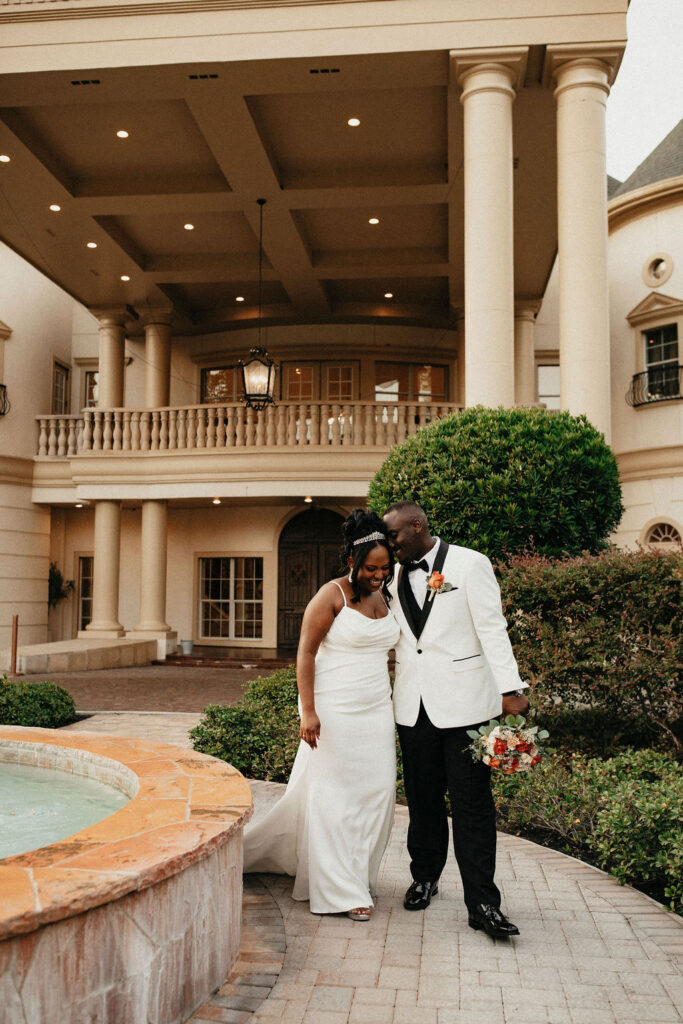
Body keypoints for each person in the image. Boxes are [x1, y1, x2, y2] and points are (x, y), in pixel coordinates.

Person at [243, 509, 400, 921]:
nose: (378, 576)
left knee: (378, 795)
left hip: (376, 710)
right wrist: (308, 712)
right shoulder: (330, 595)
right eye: (371, 568)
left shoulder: (388, 594)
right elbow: (305, 653)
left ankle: (358, 874)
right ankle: (339, 890)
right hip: (334, 710)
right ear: (352, 561)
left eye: (384, 568)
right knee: (335, 797)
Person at [382, 500, 529, 939]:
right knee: (422, 802)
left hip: (467, 707)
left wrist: (512, 687)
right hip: (412, 707)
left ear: (417, 526)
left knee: (472, 806)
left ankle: (482, 902)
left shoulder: (470, 563)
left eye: (394, 536)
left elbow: (492, 628)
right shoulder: (390, 575)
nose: (390, 545)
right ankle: (424, 876)